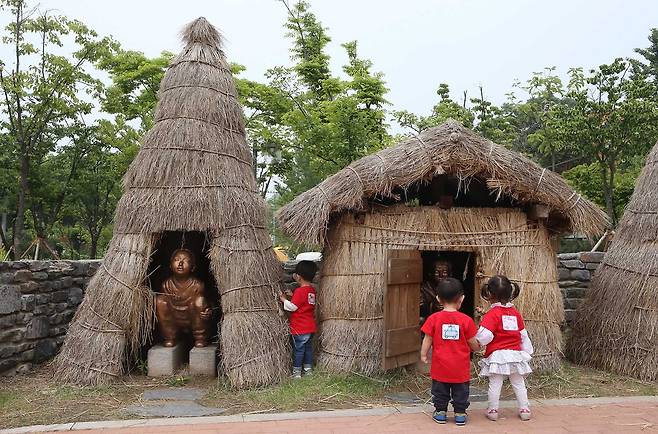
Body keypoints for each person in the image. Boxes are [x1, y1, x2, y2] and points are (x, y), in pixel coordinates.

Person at [420, 277, 479, 426]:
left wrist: (423, 354)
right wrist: (478, 348)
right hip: (460, 367)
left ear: (438, 299)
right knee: (461, 392)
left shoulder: (433, 319)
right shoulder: (466, 320)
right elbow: (472, 341)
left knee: (440, 391)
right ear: (462, 299)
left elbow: (427, 339)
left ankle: (440, 412)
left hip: (440, 366)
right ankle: (460, 414)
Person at [476, 275, 534, 422]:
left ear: (490, 294)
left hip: (498, 356)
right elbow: (523, 335)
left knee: (495, 384)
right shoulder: (515, 314)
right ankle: (524, 409)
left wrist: (477, 343)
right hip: (516, 355)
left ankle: (493, 410)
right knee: (519, 383)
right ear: (510, 292)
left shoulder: (492, 315)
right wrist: (527, 352)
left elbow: (485, 336)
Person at [155, 249, 211, 347]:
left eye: (185, 261)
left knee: (200, 301)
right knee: (159, 301)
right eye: (176, 260)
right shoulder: (166, 285)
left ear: (193, 267)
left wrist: (208, 311)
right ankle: (169, 336)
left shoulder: (198, 285)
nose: (180, 263)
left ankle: (200, 338)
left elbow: (210, 302)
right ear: (170, 265)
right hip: (174, 316)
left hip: (192, 316)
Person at [279, 260, 317, 379]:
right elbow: (304, 303)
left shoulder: (300, 291)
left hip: (300, 328)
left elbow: (293, 307)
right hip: (310, 327)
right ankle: (308, 369)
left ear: (298, 277)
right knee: (308, 349)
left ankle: (296, 372)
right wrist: (292, 295)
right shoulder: (311, 290)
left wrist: (284, 299)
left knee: (299, 350)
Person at [420, 259, 452, 325]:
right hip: (430, 320)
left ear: (449, 274)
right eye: (437, 272)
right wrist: (432, 306)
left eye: (444, 272)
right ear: (430, 274)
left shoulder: (453, 287)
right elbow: (420, 309)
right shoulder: (424, 288)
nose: (441, 275)